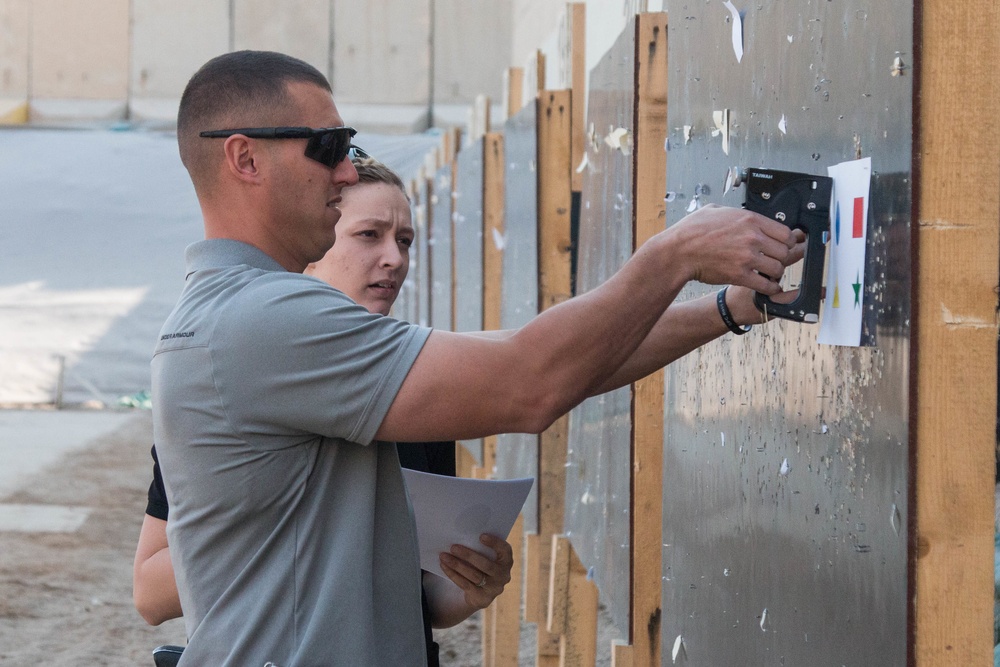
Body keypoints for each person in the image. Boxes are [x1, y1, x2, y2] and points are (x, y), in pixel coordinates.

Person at [152, 50, 799, 666]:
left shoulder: (244, 315)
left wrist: (728, 309)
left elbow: (549, 360)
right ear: (244, 157)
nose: (347, 171)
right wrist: (674, 254)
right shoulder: (259, 321)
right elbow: (531, 382)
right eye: (328, 148)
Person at [133, 157, 512, 665]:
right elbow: (149, 594)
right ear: (313, 249)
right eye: (368, 234)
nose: (393, 258)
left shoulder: (421, 392)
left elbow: (422, 597)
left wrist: (471, 588)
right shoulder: (227, 386)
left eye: (404, 241)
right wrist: (271, 521)